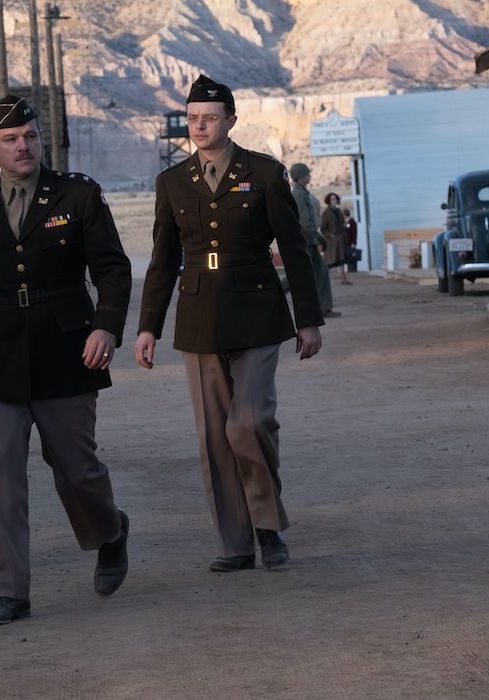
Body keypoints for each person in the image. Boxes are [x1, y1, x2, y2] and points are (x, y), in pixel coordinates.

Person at [0, 95, 132, 626]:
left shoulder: (78, 194)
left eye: (30, 135)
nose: (22, 145)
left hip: (68, 349)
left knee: (76, 469)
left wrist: (106, 326)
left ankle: (110, 530)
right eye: (11, 139)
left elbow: (114, 270)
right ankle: (13, 593)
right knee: (3, 479)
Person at [134, 75, 325, 573]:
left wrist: (308, 320)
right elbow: (162, 259)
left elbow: (295, 249)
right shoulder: (172, 181)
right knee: (213, 437)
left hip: (258, 312)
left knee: (249, 422)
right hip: (199, 318)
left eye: (210, 117)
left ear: (231, 121)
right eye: (193, 117)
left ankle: (268, 526)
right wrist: (148, 326)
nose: (200, 125)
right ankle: (236, 542)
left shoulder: (264, 173)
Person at [290, 162, 338, 317]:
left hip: (307, 240)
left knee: (308, 274)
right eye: (307, 174)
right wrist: (316, 239)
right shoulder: (298, 194)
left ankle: (322, 308)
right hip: (307, 242)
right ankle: (323, 308)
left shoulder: (302, 193)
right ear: (300, 177)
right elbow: (305, 222)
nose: (309, 176)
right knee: (319, 273)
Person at [321, 192, 351, 286]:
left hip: (341, 239)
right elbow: (323, 228)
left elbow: (342, 224)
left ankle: (344, 280)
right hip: (332, 242)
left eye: (335, 199)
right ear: (329, 201)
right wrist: (330, 235)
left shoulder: (338, 211)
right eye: (333, 199)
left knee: (341, 261)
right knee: (330, 263)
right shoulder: (325, 213)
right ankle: (323, 281)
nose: (335, 201)